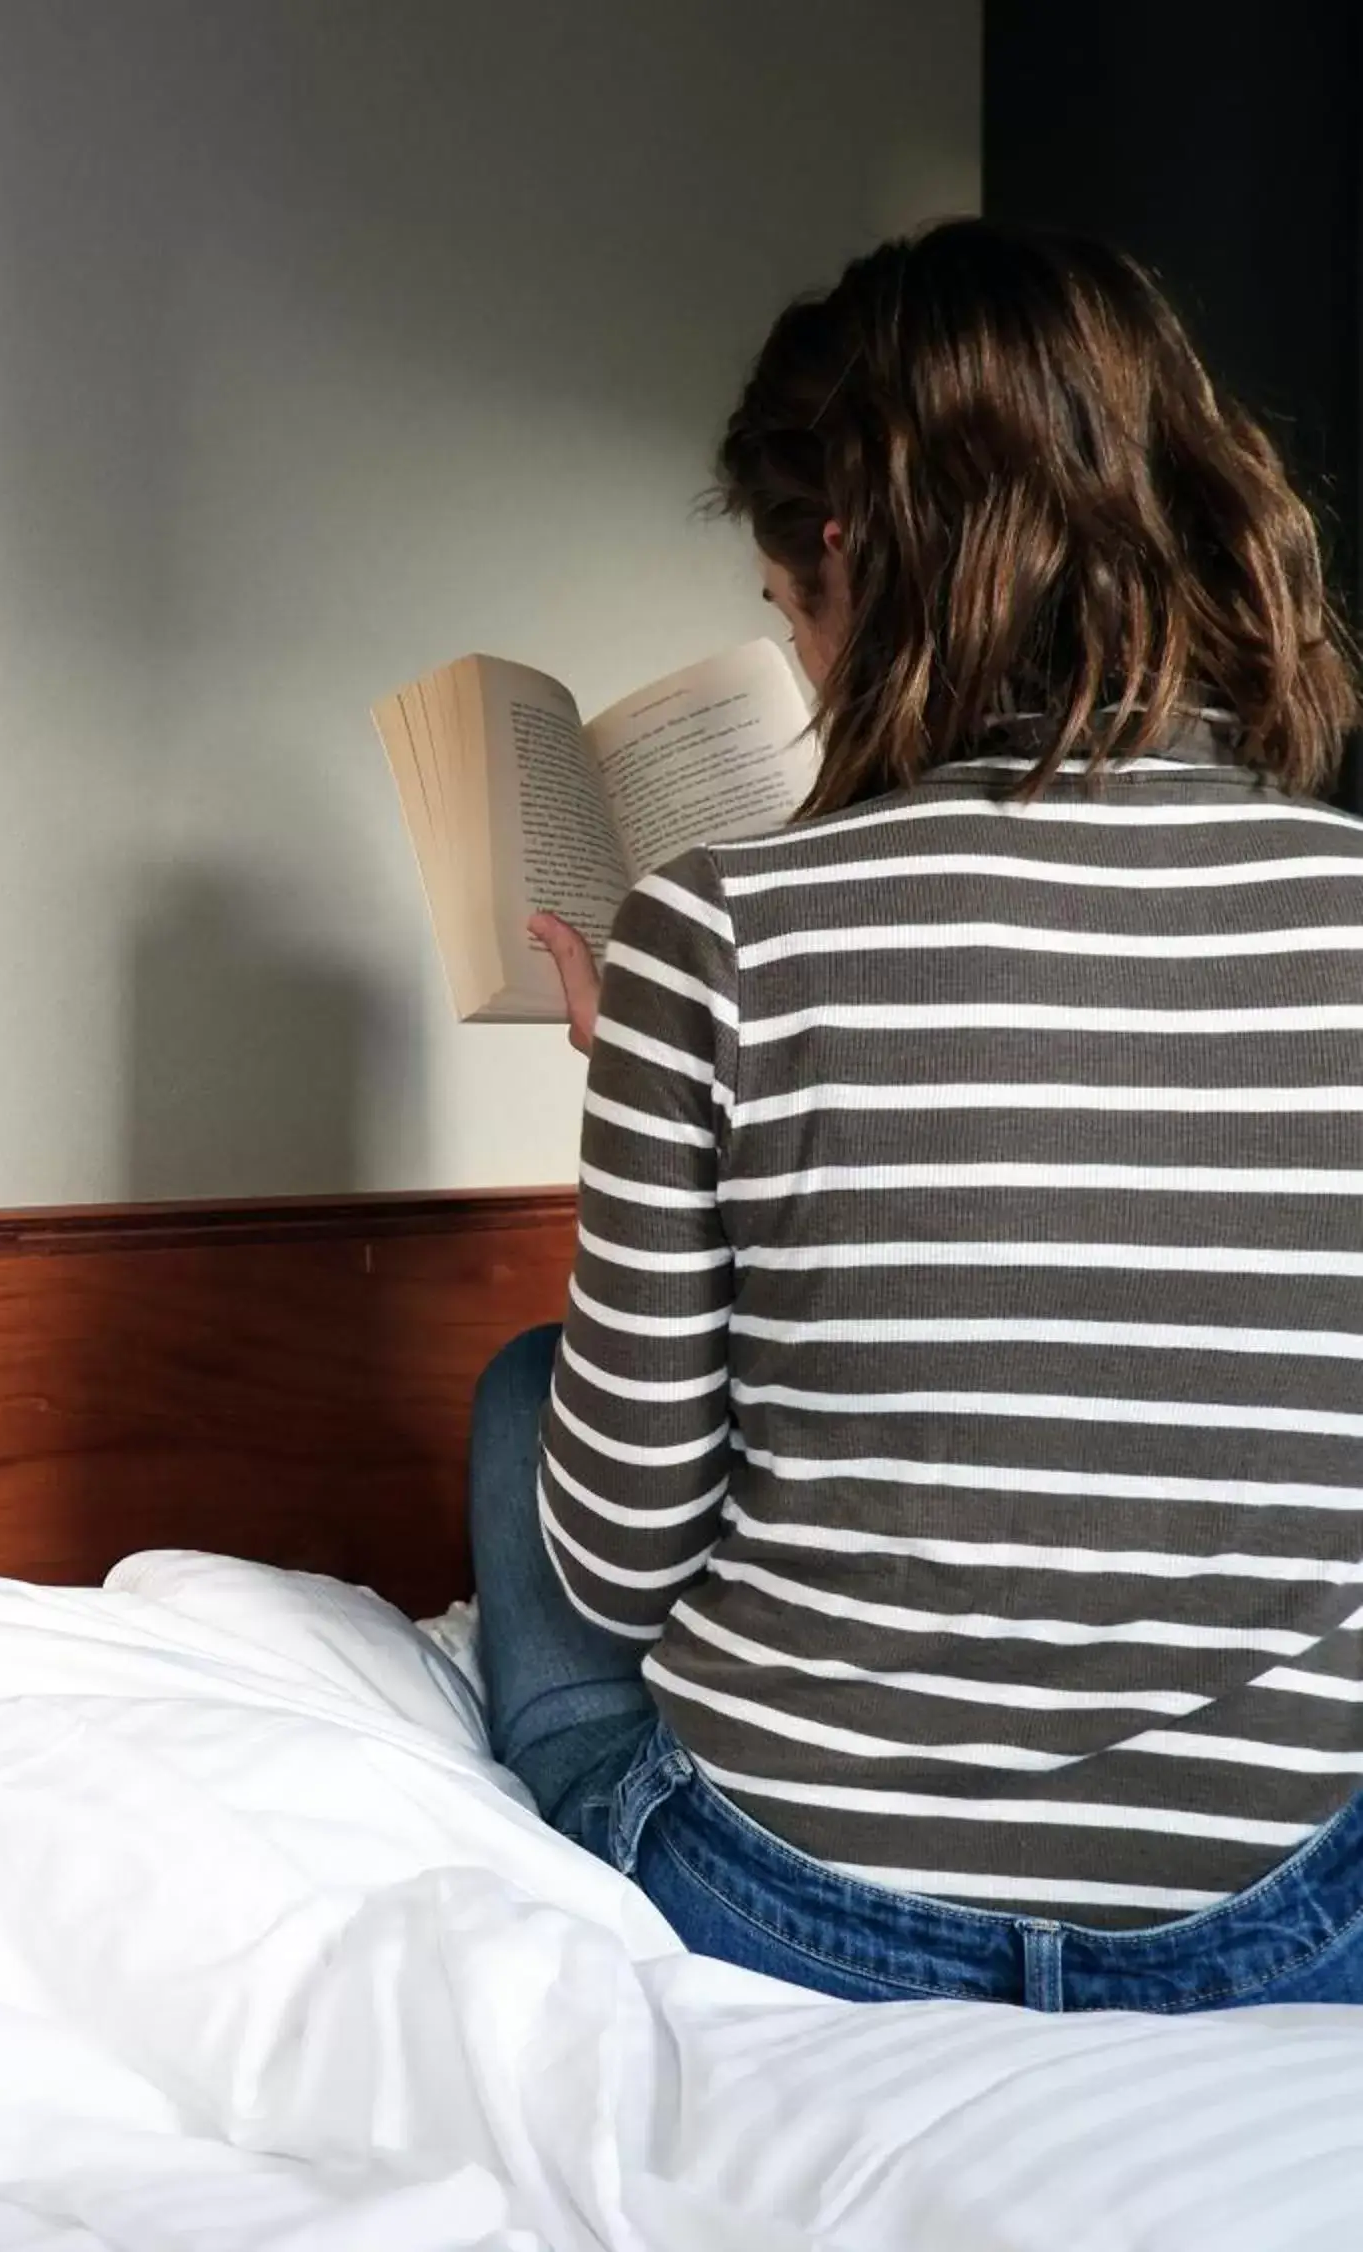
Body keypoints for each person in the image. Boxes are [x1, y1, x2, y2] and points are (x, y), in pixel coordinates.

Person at [467, 218, 1363, 2010]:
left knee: (520, 1397)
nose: (797, 659)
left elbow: (623, 1562)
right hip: (1291, 1925)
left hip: (806, 1906)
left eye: (787, 607)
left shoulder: (715, 931)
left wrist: (664, 1080)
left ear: (851, 555)